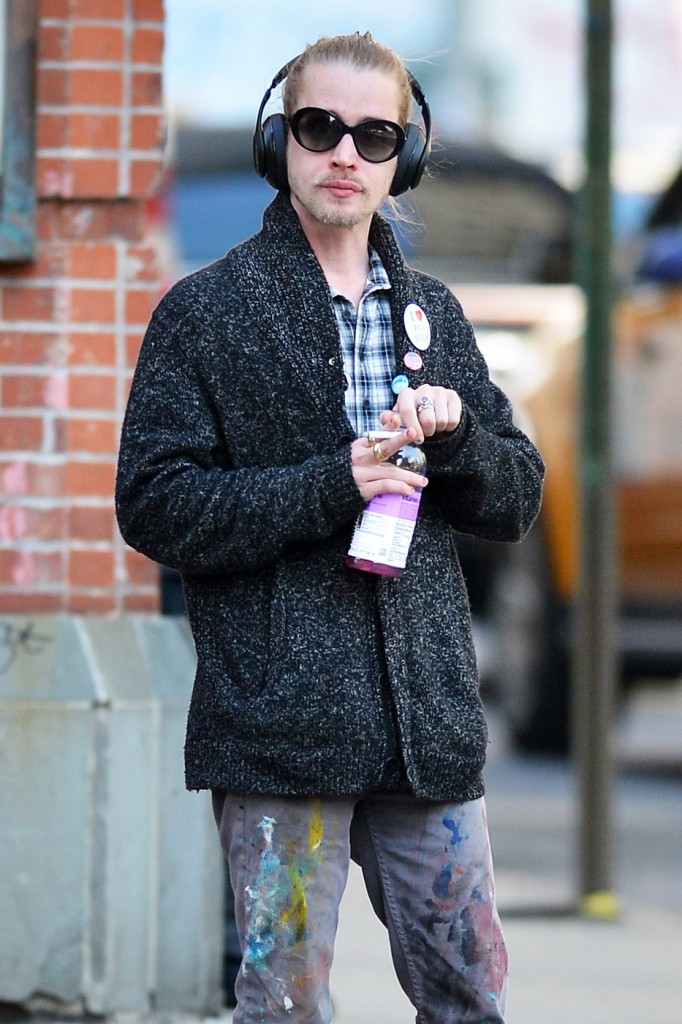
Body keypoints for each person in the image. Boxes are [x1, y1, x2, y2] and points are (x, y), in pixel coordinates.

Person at [116, 31, 544, 1024]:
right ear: (283, 143)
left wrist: (460, 438)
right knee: (284, 1006)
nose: (344, 154)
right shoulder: (205, 313)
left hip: (425, 730)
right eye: (319, 127)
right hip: (280, 731)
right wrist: (329, 482)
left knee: (469, 996)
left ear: (405, 156)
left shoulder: (432, 311)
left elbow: (515, 496)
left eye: (372, 133)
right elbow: (155, 505)